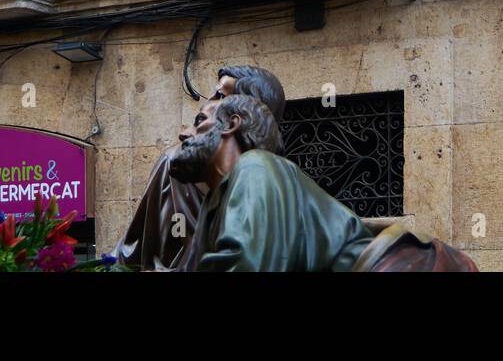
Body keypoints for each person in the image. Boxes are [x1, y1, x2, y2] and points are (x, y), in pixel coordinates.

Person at [171, 94, 375, 271]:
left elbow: (248, 265)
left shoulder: (255, 167)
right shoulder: (213, 201)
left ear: (232, 124)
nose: (186, 133)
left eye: (200, 121)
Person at [112, 65, 286, 270]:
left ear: (241, 114)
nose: (209, 102)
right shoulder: (179, 163)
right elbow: (137, 246)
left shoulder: (271, 184)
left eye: (220, 95)